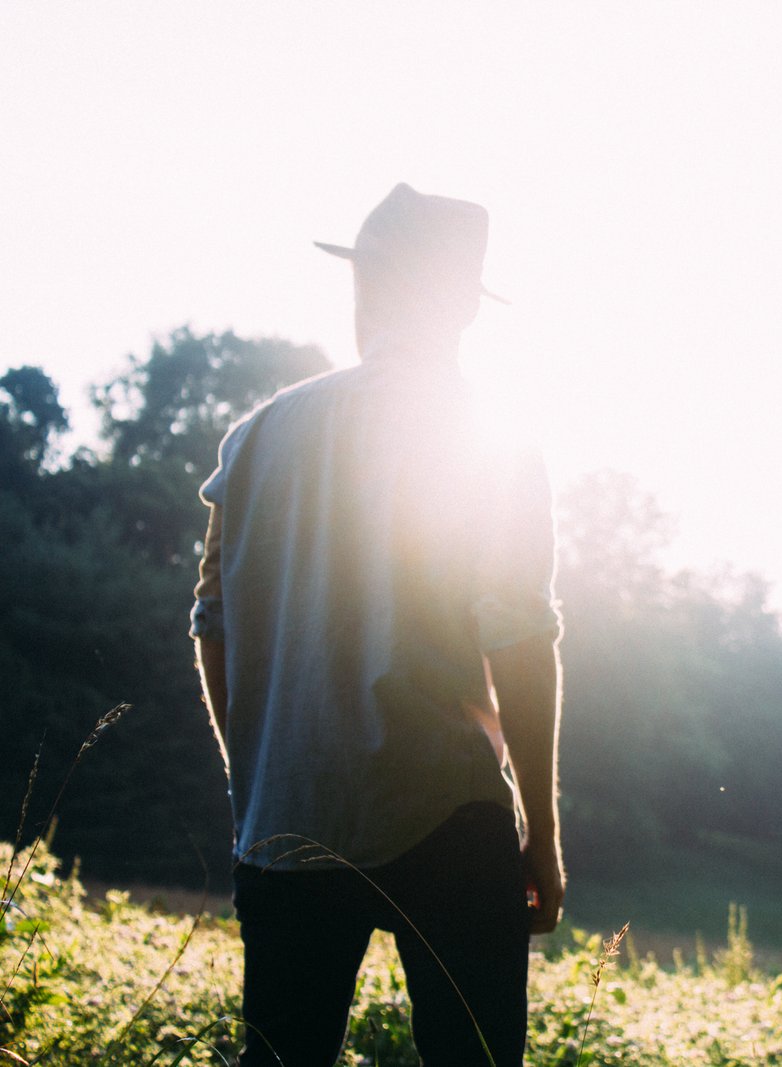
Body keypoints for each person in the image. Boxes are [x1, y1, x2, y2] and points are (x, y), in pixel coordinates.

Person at [190, 183, 564, 1067]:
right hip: (448, 812)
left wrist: (258, 780)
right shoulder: (492, 435)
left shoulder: (255, 436)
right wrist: (540, 836)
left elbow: (212, 626)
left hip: (288, 818)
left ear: (369, 286)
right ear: (465, 306)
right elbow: (519, 636)